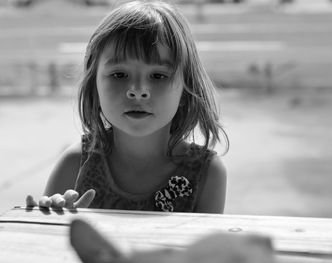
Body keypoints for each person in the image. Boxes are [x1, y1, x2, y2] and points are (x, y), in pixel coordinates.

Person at [26, 0, 229, 213]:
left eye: (158, 75)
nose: (138, 90)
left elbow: (207, 248)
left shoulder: (206, 173)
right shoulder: (75, 164)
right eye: (119, 74)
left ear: (187, 88)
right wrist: (51, 220)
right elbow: (41, 242)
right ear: (94, 85)